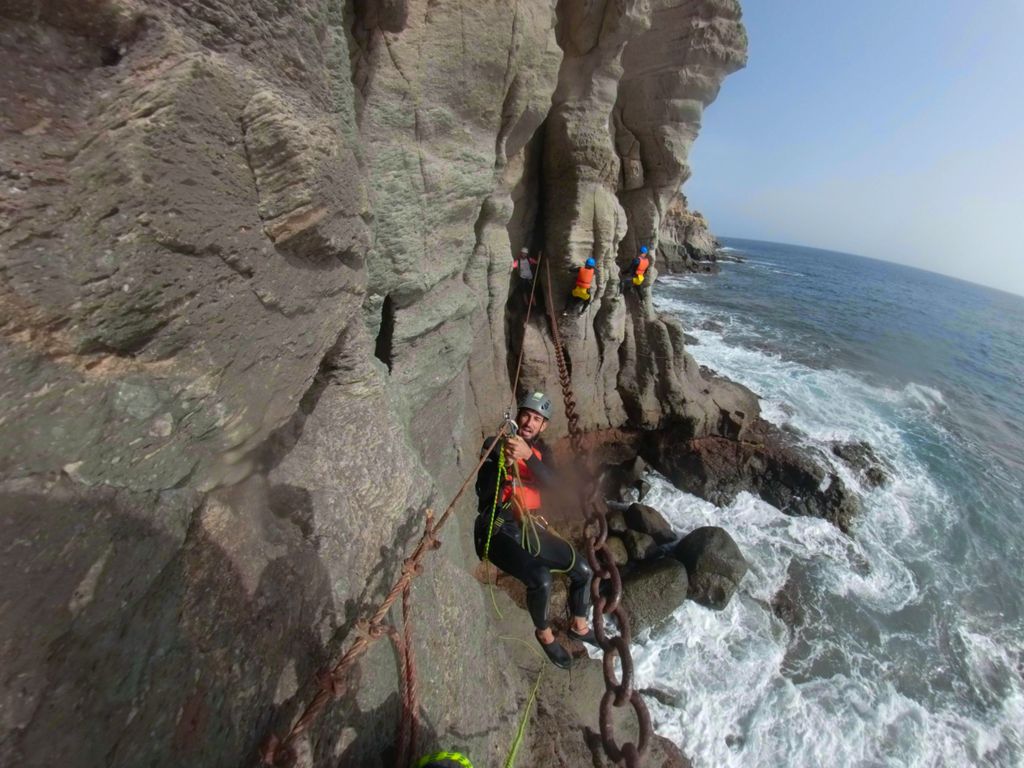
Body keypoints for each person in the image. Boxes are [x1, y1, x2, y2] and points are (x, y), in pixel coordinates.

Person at [474, 392, 596, 668]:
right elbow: (483, 491)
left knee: (583, 571)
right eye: (526, 415)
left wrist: (528, 457)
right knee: (541, 579)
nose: (529, 422)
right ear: (517, 417)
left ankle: (579, 624)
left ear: (544, 426)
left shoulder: (541, 454)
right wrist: (500, 463)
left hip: (527, 525)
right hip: (496, 529)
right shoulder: (495, 445)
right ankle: (544, 633)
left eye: (537, 419)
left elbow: (554, 484)